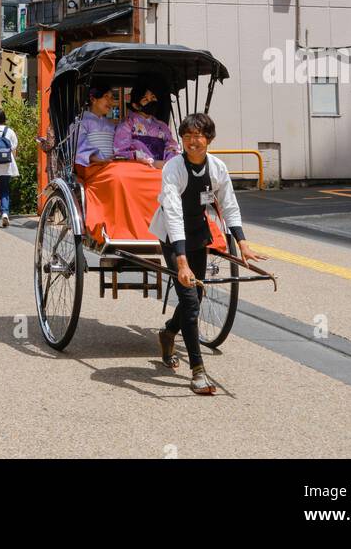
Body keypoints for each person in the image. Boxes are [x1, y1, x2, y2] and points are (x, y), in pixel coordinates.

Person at [149, 113, 264, 394]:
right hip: (172, 235)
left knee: (196, 295)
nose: (192, 142)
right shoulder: (173, 169)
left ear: (209, 139)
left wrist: (243, 243)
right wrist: (182, 261)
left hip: (198, 232)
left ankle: (167, 333)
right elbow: (173, 214)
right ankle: (198, 371)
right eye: (186, 136)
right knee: (190, 300)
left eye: (198, 136)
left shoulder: (217, 168)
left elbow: (229, 205)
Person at [113, 84, 180, 168]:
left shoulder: (162, 126)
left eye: (153, 98)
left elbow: (171, 146)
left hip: (162, 168)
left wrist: (169, 161)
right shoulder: (126, 124)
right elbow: (121, 152)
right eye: (145, 99)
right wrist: (152, 162)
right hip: (138, 169)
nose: (151, 102)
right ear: (135, 105)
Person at [71, 83, 117, 166]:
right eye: (106, 96)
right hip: (91, 166)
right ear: (93, 99)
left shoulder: (111, 124)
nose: (110, 101)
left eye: (112, 98)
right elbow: (79, 148)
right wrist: (99, 161)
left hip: (108, 165)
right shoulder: (81, 121)